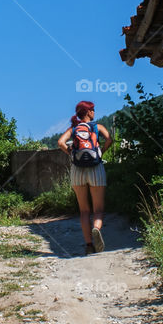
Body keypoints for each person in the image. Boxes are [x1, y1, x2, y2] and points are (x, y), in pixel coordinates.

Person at [57, 101, 112, 255]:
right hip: (96, 168)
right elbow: (109, 139)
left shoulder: (73, 128)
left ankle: (89, 245)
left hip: (77, 170)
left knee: (84, 211)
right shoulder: (97, 127)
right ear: (88, 112)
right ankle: (97, 228)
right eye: (93, 110)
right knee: (98, 209)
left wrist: (71, 153)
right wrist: (101, 152)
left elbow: (60, 142)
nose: (94, 112)